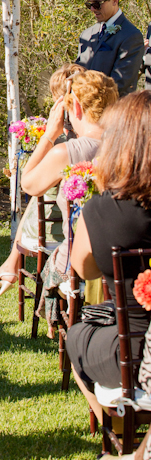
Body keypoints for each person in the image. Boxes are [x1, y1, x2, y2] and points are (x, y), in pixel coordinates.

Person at [0, 70, 118, 305]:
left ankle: (55, 324)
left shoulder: (67, 152)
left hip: (82, 258)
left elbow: (29, 184)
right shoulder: (126, 146)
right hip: (124, 253)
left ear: (74, 108)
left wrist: (49, 135)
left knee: (56, 261)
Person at [67, 91, 151, 425]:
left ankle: (122, 438)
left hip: (131, 352)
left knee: (75, 337)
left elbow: (83, 267)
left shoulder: (101, 210)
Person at [76, 0, 144, 96]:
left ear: (114, 1)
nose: (92, 9)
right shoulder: (87, 35)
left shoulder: (131, 36)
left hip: (112, 110)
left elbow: (120, 84)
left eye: (97, 4)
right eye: (89, 4)